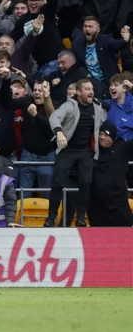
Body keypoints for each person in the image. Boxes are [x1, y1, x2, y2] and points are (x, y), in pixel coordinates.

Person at [45, 79, 107, 227]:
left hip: (85, 151)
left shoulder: (97, 107)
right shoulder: (69, 105)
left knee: (86, 182)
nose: (91, 91)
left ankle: (80, 218)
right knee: (58, 183)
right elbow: (54, 117)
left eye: (91, 89)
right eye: (86, 89)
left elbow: (106, 115)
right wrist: (59, 132)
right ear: (78, 92)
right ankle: (51, 217)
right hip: (67, 149)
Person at [87, 121, 133, 227]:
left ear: (113, 137)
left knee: (126, 237)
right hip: (96, 205)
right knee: (97, 239)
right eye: (100, 134)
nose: (102, 137)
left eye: (106, 135)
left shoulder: (122, 149)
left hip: (118, 204)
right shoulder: (90, 151)